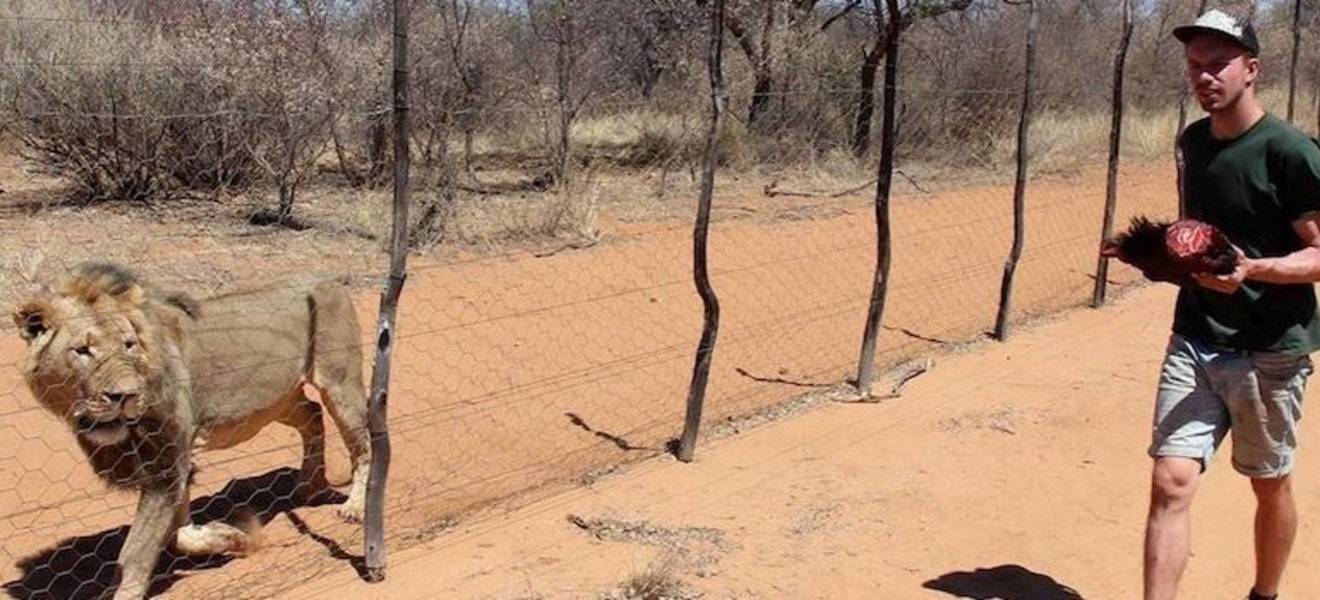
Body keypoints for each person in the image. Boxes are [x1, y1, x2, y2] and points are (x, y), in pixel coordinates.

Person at [1145, 9, 1320, 600]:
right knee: (1170, 481)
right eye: (1195, 65)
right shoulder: (1192, 142)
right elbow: (1193, 235)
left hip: (1269, 350)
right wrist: (1149, 252)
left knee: (1269, 484)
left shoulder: (1290, 151)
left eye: (1218, 63)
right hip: (1195, 337)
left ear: (1252, 70)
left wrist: (1253, 269)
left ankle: (1264, 594)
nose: (1204, 75)